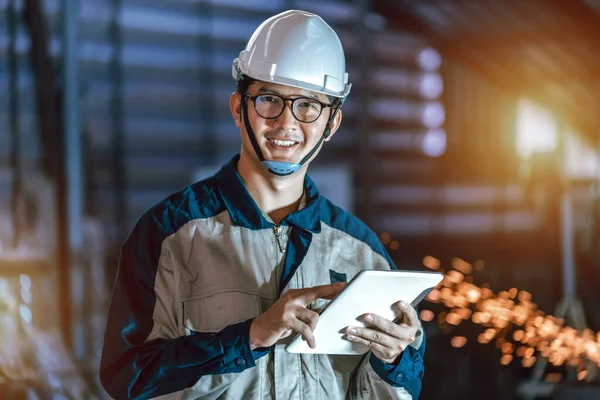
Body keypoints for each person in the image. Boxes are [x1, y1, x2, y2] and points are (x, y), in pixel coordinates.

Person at [99, 9, 425, 400]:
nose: (287, 123)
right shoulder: (169, 234)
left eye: (308, 106)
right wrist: (251, 336)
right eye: (269, 100)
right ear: (239, 108)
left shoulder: (362, 252)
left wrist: (392, 362)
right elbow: (127, 379)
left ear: (331, 124)